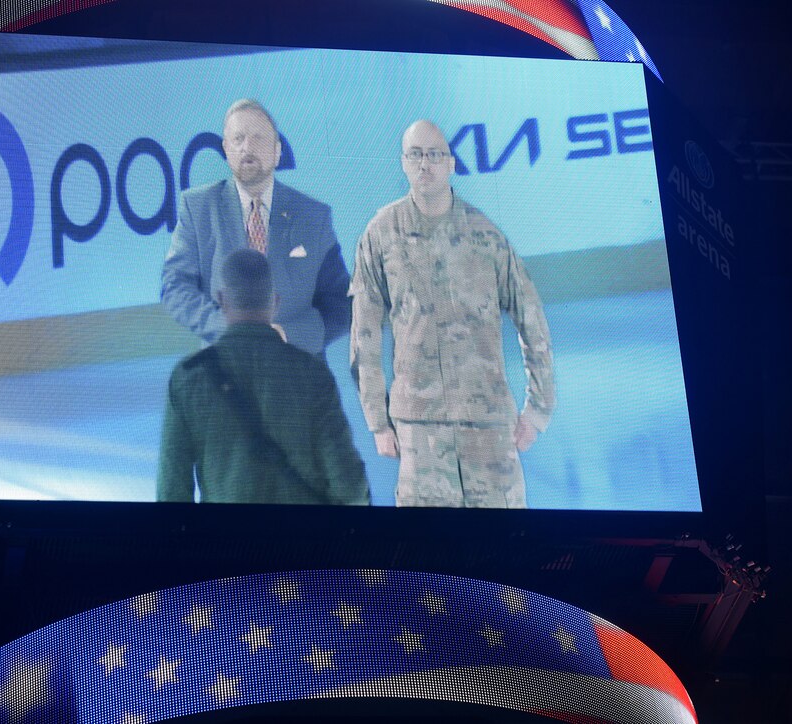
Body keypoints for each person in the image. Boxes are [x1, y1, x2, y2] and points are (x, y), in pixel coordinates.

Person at [349, 120, 555, 508]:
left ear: (451, 163)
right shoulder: (380, 236)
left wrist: (539, 409)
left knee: (509, 552)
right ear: (403, 163)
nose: (424, 164)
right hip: (420, 432)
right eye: (415, 155)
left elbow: (532, 319)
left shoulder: (486, 236)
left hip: (489, 428)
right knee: (427, 558)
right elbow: (364, 335)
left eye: (434, 155)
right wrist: (378, 421)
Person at [158, 249, 370, 505]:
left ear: (222, 300)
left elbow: (172, 491)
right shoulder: (313, 375)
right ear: (275, 302)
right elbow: (349, 483)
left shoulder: (188, 378)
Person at [161, 98, 351, 356]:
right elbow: (175, 286)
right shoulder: (198, 208)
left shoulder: (314, 216)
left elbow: (342, 304)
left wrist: (287, 335)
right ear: (226, 150)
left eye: (258, 138)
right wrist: (229, 330)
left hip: (297, 374)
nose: (247, 147)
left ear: (277, 151)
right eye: (238, 139)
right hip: (225, 375)